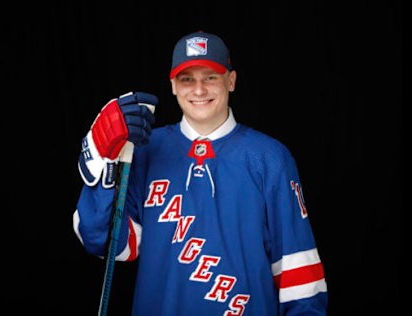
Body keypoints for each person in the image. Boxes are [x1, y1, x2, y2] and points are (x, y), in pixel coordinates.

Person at [73, 30, 328, 315]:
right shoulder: (144, 151)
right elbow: (107, 245)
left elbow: (300, 274)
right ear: (173, 85)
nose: (198, 90)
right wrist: (103, 162)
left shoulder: (269, 158)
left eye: (210, 77)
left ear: (230, 81)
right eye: (187, 79)